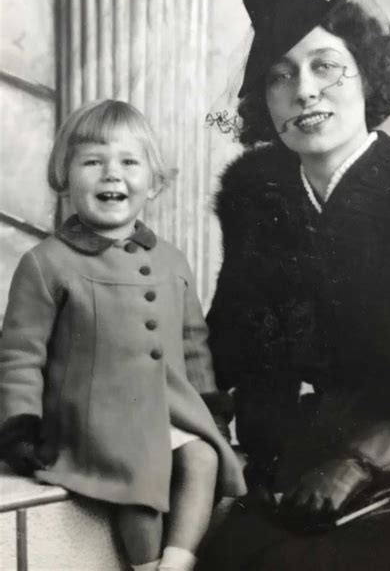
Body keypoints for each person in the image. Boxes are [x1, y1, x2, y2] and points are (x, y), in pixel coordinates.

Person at [199, 0, 390, 569]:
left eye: (325, 65)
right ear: (264, 103)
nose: (304, 91)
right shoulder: (259, 203)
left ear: (367, 76)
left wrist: (360, 462)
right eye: (281, 75)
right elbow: (223, 353)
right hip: (295, 480)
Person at [0, 99, 246, 571]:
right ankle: (146, 563)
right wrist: (20, 426)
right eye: (92, 162)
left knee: (203, 459)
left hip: (165, 405)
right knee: (140, 477)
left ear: (153, 184)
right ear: (65, 180)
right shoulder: (47, 262)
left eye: (129, 162)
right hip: (90, 417)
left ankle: (175, 563)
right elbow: (19, 355)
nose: (112, 175)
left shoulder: (172, 260)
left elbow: (193, 343)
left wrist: (210, 410)